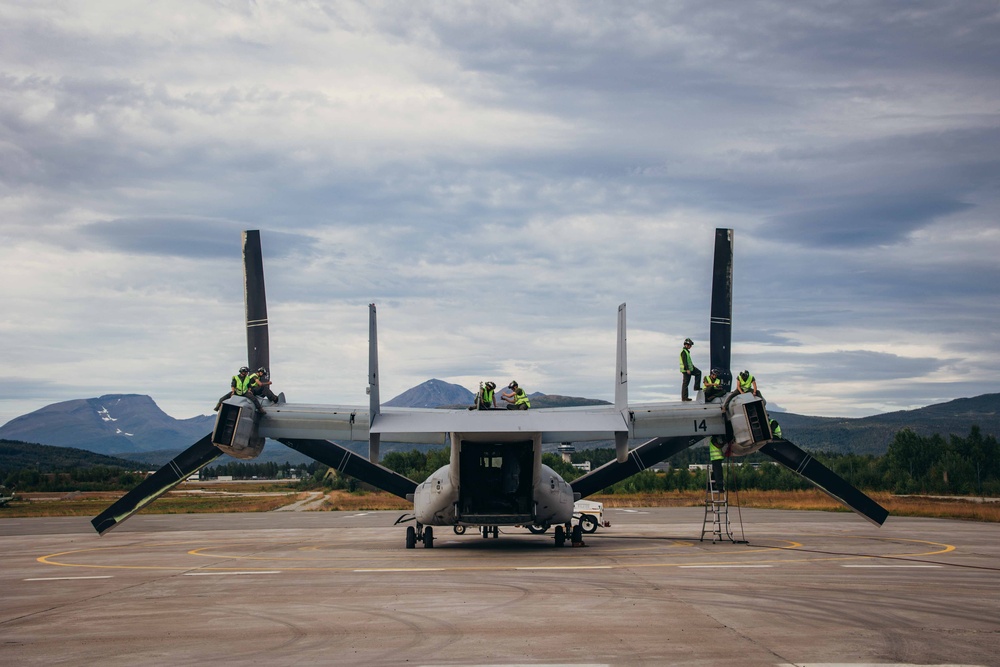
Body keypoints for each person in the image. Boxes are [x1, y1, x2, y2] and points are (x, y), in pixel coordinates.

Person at [679, 338, 702, 402]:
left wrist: (692, 366)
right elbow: (685, 361)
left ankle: (696, 387)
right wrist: (687, 369)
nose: (690, 346)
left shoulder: (687, 352)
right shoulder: (684, 352)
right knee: (685, 383)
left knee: (698, 372)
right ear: (686, 345)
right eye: (690, 345)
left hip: (690, 368)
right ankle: (684, 397)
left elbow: (688, 361)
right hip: (686, 370)